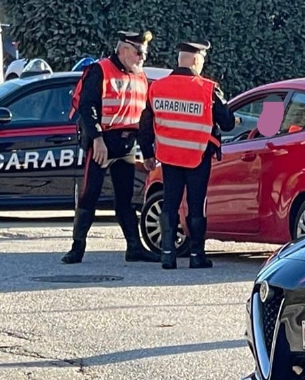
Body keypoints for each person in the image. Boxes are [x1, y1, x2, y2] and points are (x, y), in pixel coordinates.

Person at [61, 30, 161, 264]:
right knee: (90, 195)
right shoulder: (100, 70)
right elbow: (87, 107)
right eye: (138, 53)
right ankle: (77, 248)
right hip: (102, 143)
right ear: (123, 50)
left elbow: (144, 118)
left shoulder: (140, 76)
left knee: (125, 199)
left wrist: (147, 152)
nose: (142, 58)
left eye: (143, 53)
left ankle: (134, 248)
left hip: (126, 144)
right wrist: (96, 139)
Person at [138, 41, 236, 270]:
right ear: (195, 60)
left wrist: (147, 154)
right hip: (197, 157)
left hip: (169, 157)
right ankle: (196, 255)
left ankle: (168, 255)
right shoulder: (208, 89)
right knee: (195, 206)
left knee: (169, 205)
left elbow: (145, 125)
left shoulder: (157, 88)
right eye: (202, 60)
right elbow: (229, 123)